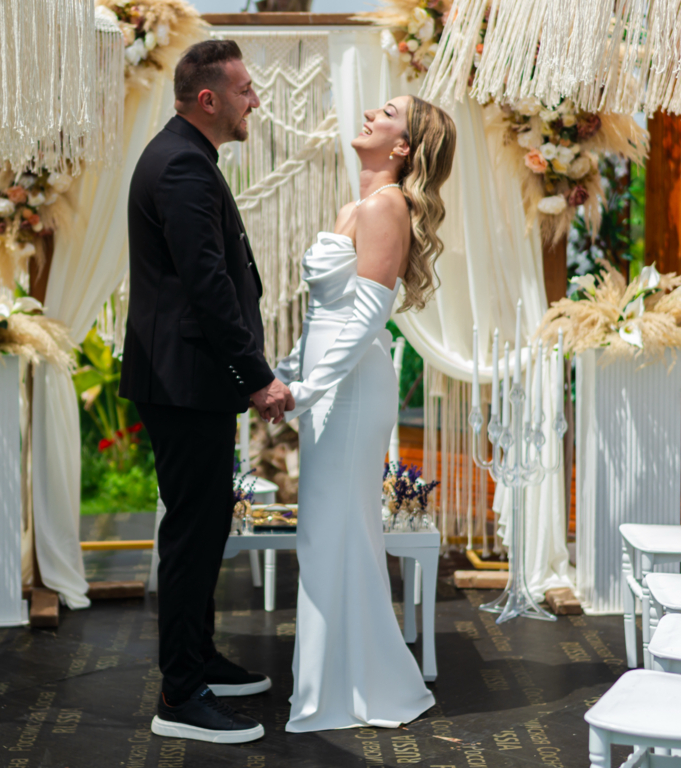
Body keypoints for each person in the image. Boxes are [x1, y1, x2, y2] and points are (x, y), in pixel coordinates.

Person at [120, 39, 294, 745]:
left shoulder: (186, 155)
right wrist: (257, 376)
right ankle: (181, 693)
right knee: (194, 534)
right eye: (246, 90)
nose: (255, 101)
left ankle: (199, 659)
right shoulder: (182, 166)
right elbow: (208, 285)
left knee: (205, 525)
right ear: (208, 98)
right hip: (184, 382)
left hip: (187, 380)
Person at [273, 95, 456, 731]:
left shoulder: (386, 206)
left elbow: (367, 316)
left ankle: (343, 691)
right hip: (330, 383)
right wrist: (286, 372)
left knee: (334, 529)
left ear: (402, 147)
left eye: (389, 113)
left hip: (349, 390)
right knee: (330, 530)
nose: (372, 114)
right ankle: (342, 681)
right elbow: (325, 314)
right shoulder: (357, 205)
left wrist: (306, 389)